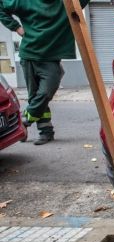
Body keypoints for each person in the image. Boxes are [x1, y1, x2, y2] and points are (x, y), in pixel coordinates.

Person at [0, 0, 89, 145]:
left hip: (51, 59)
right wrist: (16, 27)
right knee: (35, 97)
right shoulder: (24, 2)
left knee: (45, 93)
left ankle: (25, 120)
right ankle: (46, 131)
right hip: (29, 55)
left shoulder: (65, 3)